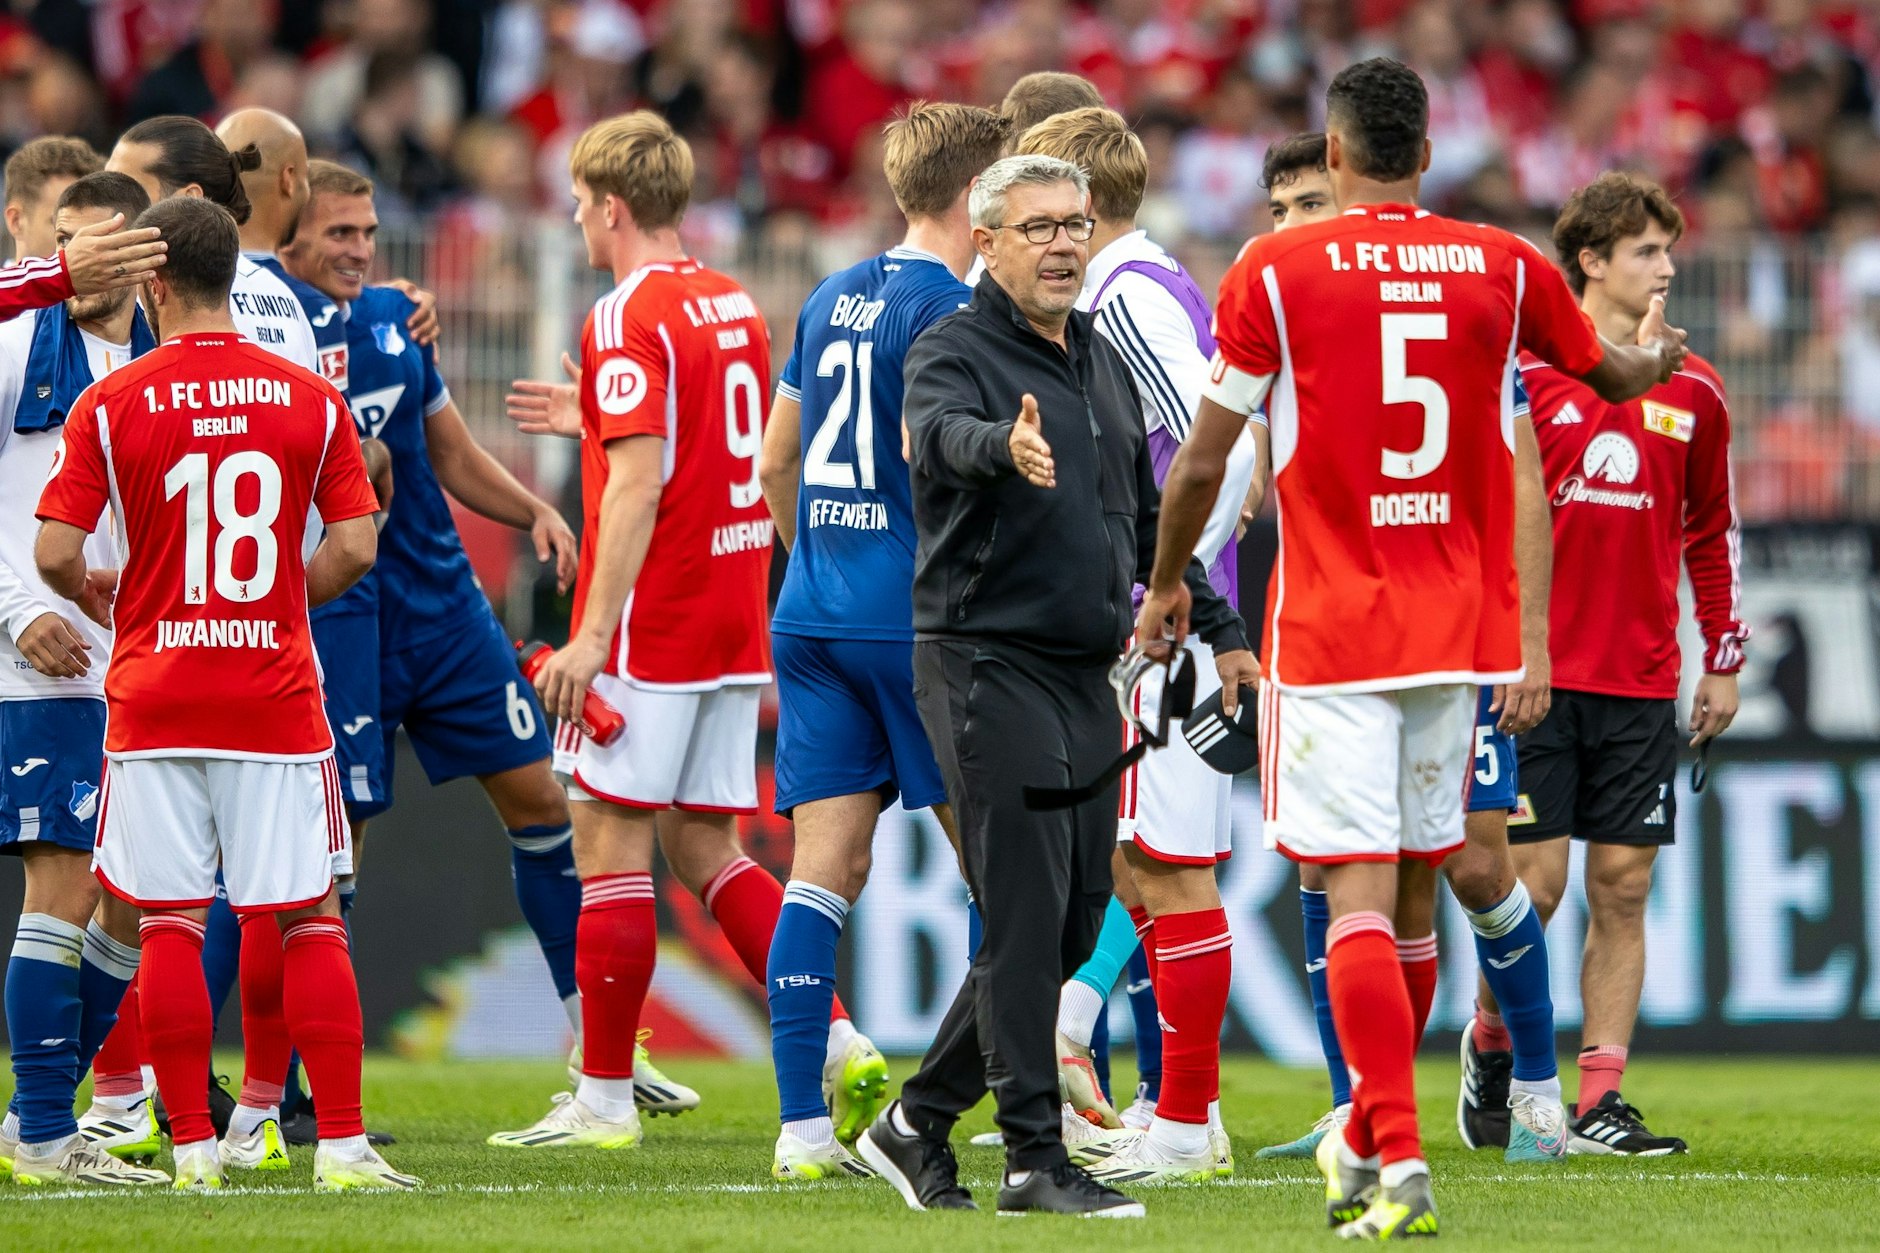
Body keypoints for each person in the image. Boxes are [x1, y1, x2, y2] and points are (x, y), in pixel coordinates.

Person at [1137, 58, 1686, 1238]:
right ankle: (1386, 1129)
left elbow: (1200, 457)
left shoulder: (1273, 267)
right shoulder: (1501, 263)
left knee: (1351, 899)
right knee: (1421, 894)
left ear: (1330, 159)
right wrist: (1654, 358)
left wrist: (1172, 575)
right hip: (1456, 637)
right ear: (1425, 156)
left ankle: (1389, 1147)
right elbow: (1607, 374)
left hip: (1333, 630)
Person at [855, 153, 1256, 1219]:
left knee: (1074, 926)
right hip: (983, 659)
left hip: (1086, 672)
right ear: (984, 242)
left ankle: (911, 1122)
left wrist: (1216, 628)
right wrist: (1001, 445)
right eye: (1034, 227)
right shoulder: (950, 349)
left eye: (1072, 224)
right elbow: (937, 441)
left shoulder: (1100, 359)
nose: (1061, 243)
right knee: (1027, 917)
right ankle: (1033, 1161)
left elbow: (1140, 519)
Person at [33, 195, 415, 1192]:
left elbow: (54, 551)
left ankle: (194, 1150)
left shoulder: (111, 400)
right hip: (274, 695)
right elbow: (358, 543)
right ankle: (339, 1143)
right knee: (307, 917)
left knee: (166, 923)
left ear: (154, 283)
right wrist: (283, 597)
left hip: (155, 695)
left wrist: (98, 594)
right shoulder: (308, 398)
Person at [278, 161, 651, 1134]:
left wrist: (531, 504)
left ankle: (601, 1050)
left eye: (367, 230)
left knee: (538, 796)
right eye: (339, 233)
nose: (360, 248)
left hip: (442, 606)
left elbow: (442, 448)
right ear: (288, 234)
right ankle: (290, 1091)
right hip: (336, 612)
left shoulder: (396, 322)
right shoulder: (261, 326)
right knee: (332, 849)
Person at [1247, 134, 1571, 1170]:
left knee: (1469, 861)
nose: (1299, 220)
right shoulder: (1288, 309)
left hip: (1449, 628)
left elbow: (1521, 473)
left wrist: (1524, 637)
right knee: (1331, 867)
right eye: (1281, 206)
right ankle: (1359, 1108)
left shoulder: (1438, 311)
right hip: (1331, 629)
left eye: (1311, 197)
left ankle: (1532, 1086)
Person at [494, 112, 803, 1151]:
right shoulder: (732, 303)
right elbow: (709, 439)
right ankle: (838, 1042)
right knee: (704, 840)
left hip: (654, 620)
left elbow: (637, 481)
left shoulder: (621, 312)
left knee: (608, 840)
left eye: (581, 202)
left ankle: (605, 1097)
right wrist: (592, 411)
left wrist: (588, 635)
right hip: (731, 612)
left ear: (612, 206)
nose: (576, 219)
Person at [756, 100, 1007, 1182]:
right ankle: (1002, 1099)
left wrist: (820, 554)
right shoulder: (955, 310)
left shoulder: (829, 293)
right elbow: (944, 461)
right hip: (914, 622)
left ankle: (800, 1130)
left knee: (821, 871)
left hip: (810, 610)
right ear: (973, 198)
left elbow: (776, 459)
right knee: (1006, 876)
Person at [1012, 106, 1253, 1185]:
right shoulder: (1141, 284)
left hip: (1169, 625)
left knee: (1170, 865)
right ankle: (1161, 1097)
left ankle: (1187, 1120)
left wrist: (1172, 583)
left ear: (1086, 206)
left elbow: (1221, 442)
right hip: (1165, 613)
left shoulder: (1123, 296)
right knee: (1142, 863)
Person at [1497, 171, 1745, 1156]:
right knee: (1531, 889)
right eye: (1645, 249)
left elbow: (1710, 530)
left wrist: (1719, 657)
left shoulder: (1695, 388)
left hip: (1639, 676)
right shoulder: (1526, 373)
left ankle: (1596, 1097)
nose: (1666, 265)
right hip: (1531, 678)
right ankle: (1496, 1044)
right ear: (1589, 262)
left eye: (1667, 249)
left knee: (1623, 885)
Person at [0, 170, 165, 1187]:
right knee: (63, 876)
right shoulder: (19, 344)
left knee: (134, 898)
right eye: (69, 243)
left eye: (104, 245)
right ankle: (47, 1130)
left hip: (145, 664)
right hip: (37, 656)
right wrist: (19, 610)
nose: (84, 263)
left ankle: (47, 1115)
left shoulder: (168, 362)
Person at [0, 138, 165, 325]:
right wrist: (61, 272)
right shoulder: (8, 337)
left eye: (98, 233)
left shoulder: (146, 320)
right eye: (63, 237)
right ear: (16, 221)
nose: (84, 248)